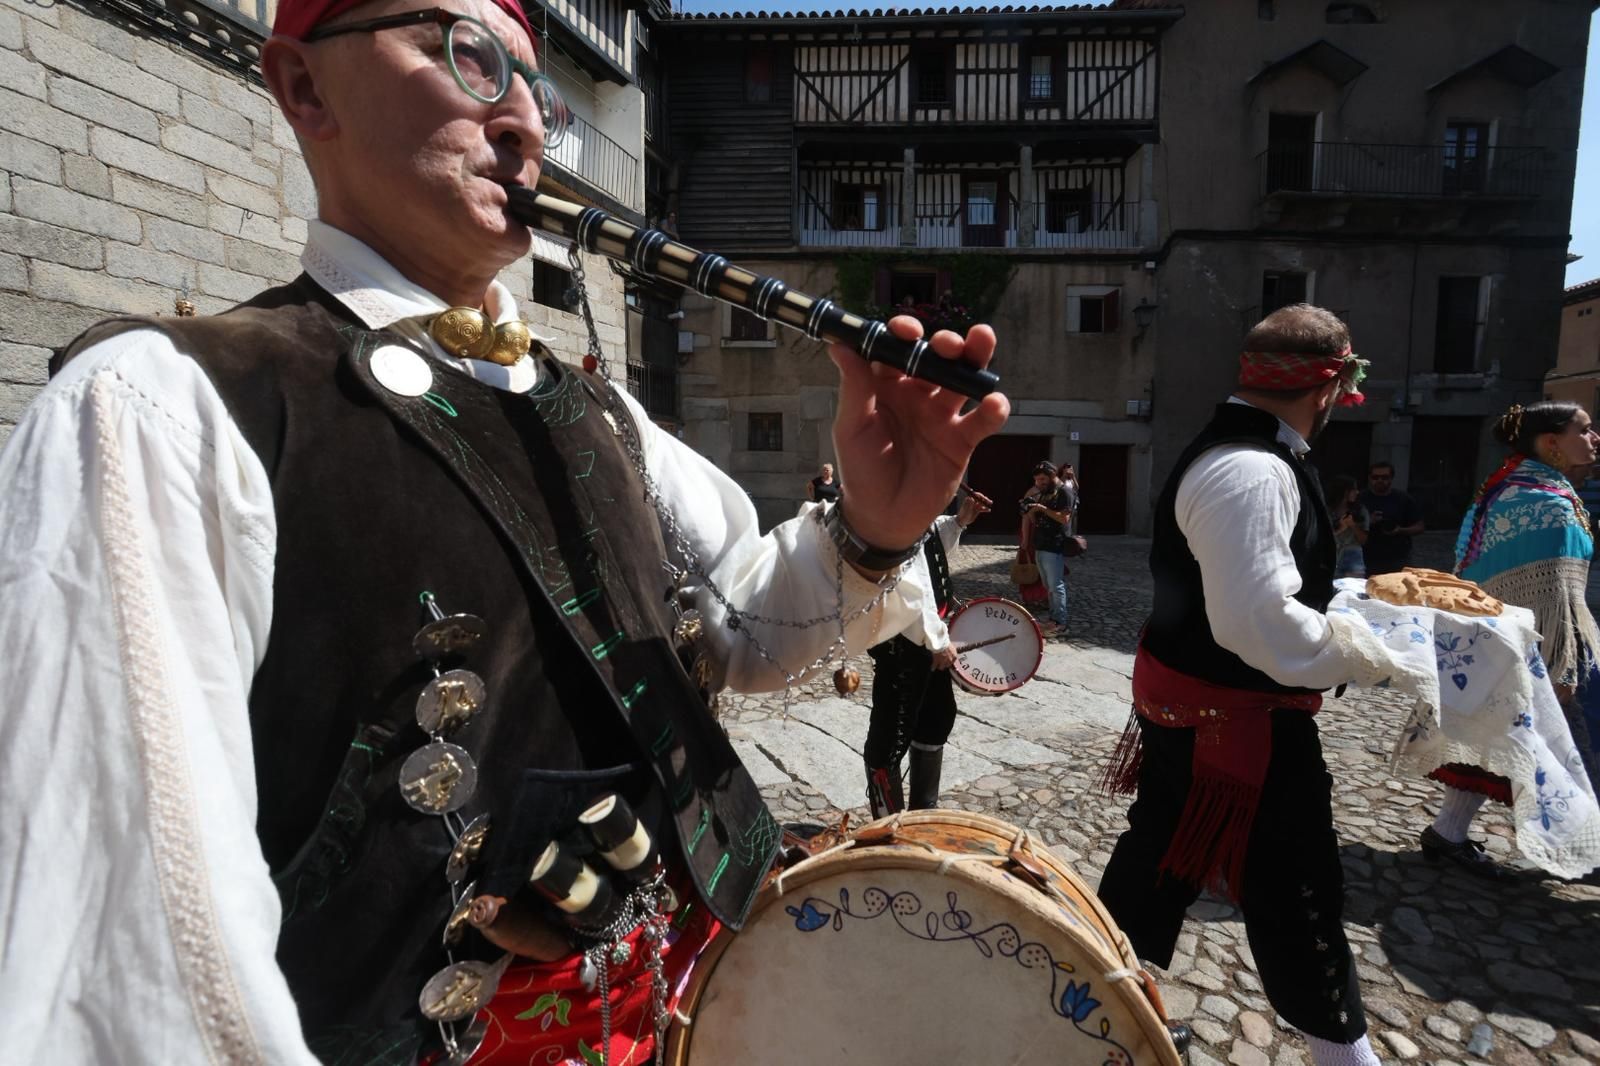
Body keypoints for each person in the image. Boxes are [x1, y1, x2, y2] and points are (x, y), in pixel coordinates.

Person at [0, 0, 1010, 1060]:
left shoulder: (599, 413)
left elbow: (735, 630)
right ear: (303, 87)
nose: (524, 116)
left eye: (534, 83)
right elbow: (141, 947)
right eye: (467, 56)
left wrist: (873, 526)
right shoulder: (164, 404)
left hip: (655, 1018)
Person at [1098, 304, 1418, 1066]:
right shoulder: (1251, 469)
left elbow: (1264, 596)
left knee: (1160, 864)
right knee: (1297, 892)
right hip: (1239, 729)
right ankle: (1346, 1058)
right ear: (1334, 384)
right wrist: (1369, 657)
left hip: (1208, 714)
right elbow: (1257, 623)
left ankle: (1091, 1002)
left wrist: (1348, 607)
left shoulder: (1261, 458)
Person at [1421, 401, 1600, 878]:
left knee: (1490, 737)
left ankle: (1446, 834)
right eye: (1584, 430)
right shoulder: (1543, 504)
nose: (1595, 438)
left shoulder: (1519, 491)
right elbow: (1547, 596)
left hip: (1506, 640)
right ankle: (1582, 846)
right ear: (1551, 443)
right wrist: (1556, 667)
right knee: (1560, 748)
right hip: (1538, 644)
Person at [865, 489, 993, 817]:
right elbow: (908, 584)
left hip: (927, 645)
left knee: (936, 719)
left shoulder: (919, 514)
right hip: (904, 647)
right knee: (889, 738)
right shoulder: (894, 519)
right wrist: (937, 640)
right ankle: (887, 828)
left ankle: (923, 814)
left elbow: (930, 553)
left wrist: (959, 521)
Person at [1025, 461, 1075, 633]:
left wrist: (1041, 508)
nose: (1039, 483)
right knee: (1047, 585)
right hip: (1041, 544)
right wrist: (1030, 511)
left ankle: (1060, 623)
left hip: (1054, 545)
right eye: (1037, 480)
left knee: (1056, 585)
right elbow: (1036, 519)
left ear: (1053, 476)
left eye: (1042, 479)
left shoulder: (1065, 492)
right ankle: (1053, 618)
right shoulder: (1046, 493)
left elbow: (1064, 518)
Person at [1359, 461, 1424, 574]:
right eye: (1375, 477)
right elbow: (1346, 526)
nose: (1380, 480)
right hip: (1367, 557)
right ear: (1369, 478)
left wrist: (1400, 530)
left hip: (1398, 557)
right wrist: (1368, 521)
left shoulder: (1403, 499)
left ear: (1391, 478)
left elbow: (1419, 527)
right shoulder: (1360, 498)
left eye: (1384, 477)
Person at [1326, 474, 1369, 579]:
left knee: (1353, 588)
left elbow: (1363, 540)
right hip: (1331, 555)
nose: (1357, 492)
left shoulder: (1360, 510)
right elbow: (1321, 538)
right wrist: (1340, 529)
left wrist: (1353, 525)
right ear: (1345, 491)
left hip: (1353, 554)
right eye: (1354, 489)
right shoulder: (1326, 510)